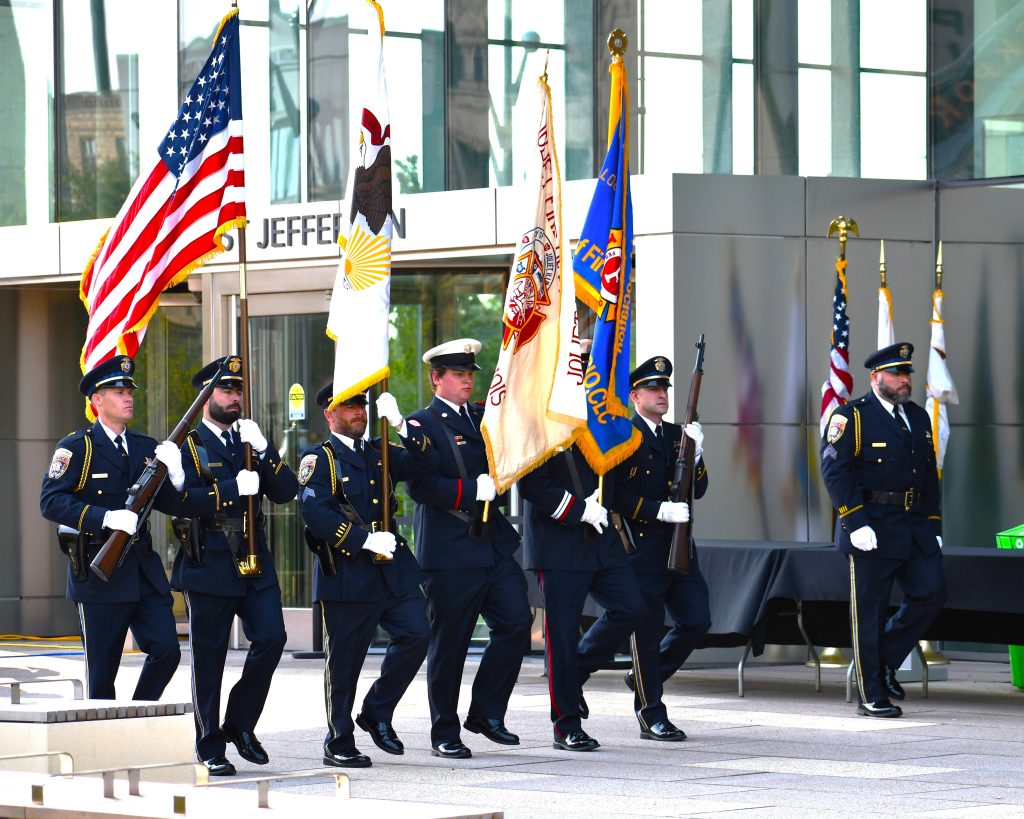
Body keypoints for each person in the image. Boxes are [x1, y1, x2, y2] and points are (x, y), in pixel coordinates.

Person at [395, 338, 532, 759]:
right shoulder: (422, 425)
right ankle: (444, 731)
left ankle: (486, 713)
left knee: (516, 623)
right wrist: (470, 490)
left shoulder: (480, 417)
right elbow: (420, 486)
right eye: (458, 374)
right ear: (437, 379)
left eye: (471, 374)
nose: (467, 381)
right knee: (450, 643)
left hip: (490, 544)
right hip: (450, 550)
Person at [171, 356, 298, 775]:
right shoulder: (186, 445)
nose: (234, 398)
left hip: (253, 559)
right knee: (209, 659)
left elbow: (285, 492)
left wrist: (264, 450)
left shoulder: (248, 440)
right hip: (208, 560)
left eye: (239, 391)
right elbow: (175, 502)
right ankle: (209, 744)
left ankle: (240, 724)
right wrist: (229, 490)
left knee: (272, 638)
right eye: (226, 390)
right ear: (206, 396)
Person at [296, 383, 429, 769]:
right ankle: (338, 738)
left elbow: (425, 465)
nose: (359, 411)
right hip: (348, 572)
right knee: (345, 662)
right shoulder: (320, 459)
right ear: (329, 413)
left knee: (417, 632)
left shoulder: (381, 452)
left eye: (361, 404)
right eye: (349, 405)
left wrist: (403, 425)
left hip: (392, 570)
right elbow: (316, 513)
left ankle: (376, 710)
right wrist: (364, 540)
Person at [39, 355, 184, 700]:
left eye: (129, 390)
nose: (128, 396)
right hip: (99, 574)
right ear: (97, 400)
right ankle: (102, 740)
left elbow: (172, 504)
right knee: (102, 677)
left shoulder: (148, 448)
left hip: (143, 572)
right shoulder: (78, 447)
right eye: (118, 391)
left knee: (167, 650)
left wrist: (178, 479)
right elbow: (51, 501)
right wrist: (105, 517)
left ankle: (136, 716)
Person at [820, 342, 946, 718]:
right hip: (871, 526)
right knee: (870, 612)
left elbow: (928, 476)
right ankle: (871, 693)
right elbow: (834, 471)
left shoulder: (918, 417)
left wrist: (934, 522)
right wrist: (854, 521)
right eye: (896, 374)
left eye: (907, 373)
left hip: (913, 526)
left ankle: (882, 661)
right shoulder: (852, 418)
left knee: (931, 593)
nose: (904, 380)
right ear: (876, 378)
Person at [518, 444, 646, 752]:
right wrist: (578, 509)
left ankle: (572, 675)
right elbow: (530, 483)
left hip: (600, 540)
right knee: (561, 637)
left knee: (632, 607)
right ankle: (566, 726)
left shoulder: (599, 421)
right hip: (558, 543)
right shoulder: (544, 426)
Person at [614, 355, 710, 741]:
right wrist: (657, 510)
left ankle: (643, 672)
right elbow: (616, 495)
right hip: (643, 548)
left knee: (697, 620)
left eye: (665, 389)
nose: (662, 394)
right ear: (635, 395)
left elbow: (698, 489)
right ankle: (651, 712)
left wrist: (698, 455)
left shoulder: (676, 436)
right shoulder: (624, 436)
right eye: (653, 389)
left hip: (680, 544)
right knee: (647, 632)